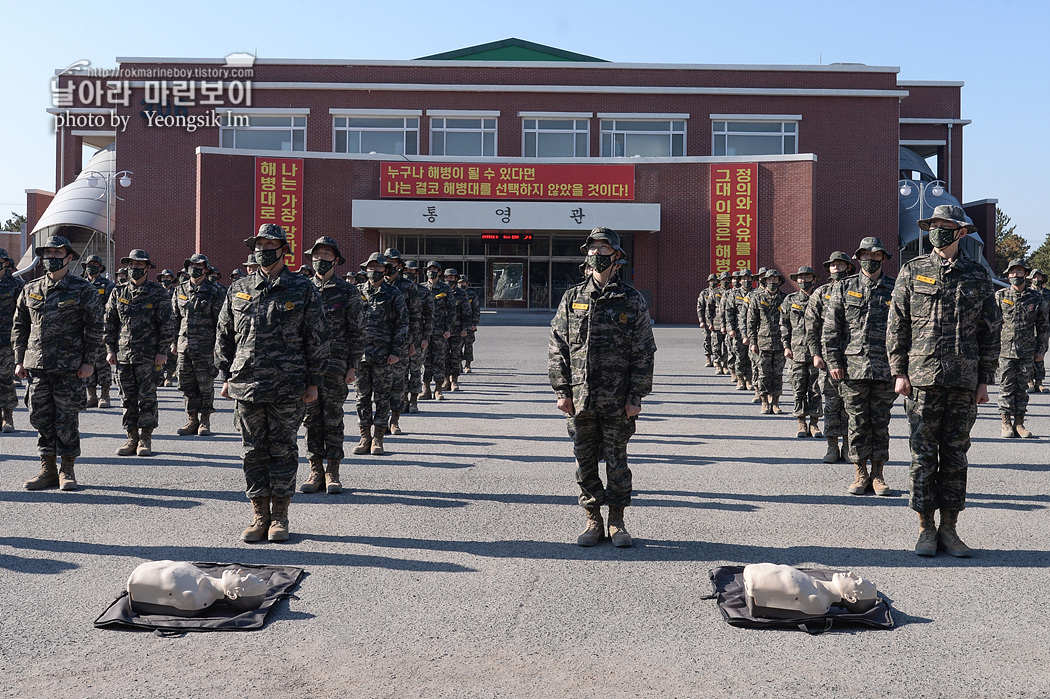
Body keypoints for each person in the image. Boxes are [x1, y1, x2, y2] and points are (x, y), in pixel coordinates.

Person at [887, 205, 1001, 558]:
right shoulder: (913, 271)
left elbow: (990, 332)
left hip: (963, 380)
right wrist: (899, 372)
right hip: (921, 380)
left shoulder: (977, 275)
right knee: (922, 456)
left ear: (960, 232)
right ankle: (925, 529)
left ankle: (950, 529)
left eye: (945, 226)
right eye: (934, 225)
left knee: (955, 457)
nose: (937, 231)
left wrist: (984, 380)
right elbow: (897, 324)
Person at [215, 223, 329, 543]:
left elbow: (317, 338)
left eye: (268, 243)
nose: (261, 248)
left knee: (283, 450)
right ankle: (259, 513)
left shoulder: (302, 288)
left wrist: (314, 381)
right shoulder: (239, 287)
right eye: (258, 244)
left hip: (287, 384)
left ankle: (280, 515)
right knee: (252, 452)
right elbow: (224, 335)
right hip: (246, 383)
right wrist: (225, 374)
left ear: (283, 249)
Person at [549, 227, 657, 548]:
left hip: (618, 399)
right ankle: (592, 518)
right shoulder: (573, 297)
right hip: (580, 398)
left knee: (617, 462)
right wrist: (561, 390)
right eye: (592, 248)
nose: (596, 254)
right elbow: (558, 346)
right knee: (583, 461)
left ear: (617, 256)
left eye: (603, 248)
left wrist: (637, 395)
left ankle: (617, 520)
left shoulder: (631, 300)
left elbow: (644, 350)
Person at [13, 235, 103, 490]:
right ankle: (47, 470)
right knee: (41, 419)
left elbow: (95, 327)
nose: (51, 258)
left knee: (66, 419)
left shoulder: (83, 289)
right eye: (47, 254)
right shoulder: (31, 288)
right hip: (37, 367)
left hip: (69, 367)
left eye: (56, 253)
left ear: (69, 257)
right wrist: (19, 360)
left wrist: (89, 361)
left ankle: (67, 470)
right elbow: (20, 326)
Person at [823, 238, 897, 496]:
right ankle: (860, 472)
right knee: (856, 422)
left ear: (883, 258)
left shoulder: (895, 288)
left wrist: (902, 368)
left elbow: (906, 329)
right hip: (852, 368)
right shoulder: (844, 288)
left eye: (875, 255)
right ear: (858, 258)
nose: (870, 259)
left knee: (880, 422)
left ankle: (878, 474)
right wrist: (833, 362)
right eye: (865, 254)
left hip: (886, 368)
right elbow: (831, 329)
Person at [301, 236, 363, 494]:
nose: (321, 260)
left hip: (336, 366)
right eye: (317, 256)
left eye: (326, 256)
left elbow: (357, 331)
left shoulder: (348, 292)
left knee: (333, 419)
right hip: (307, 367)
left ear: (336, 260)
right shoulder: (302, 288)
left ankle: (333, 471)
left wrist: (353, 366)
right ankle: (315, 469)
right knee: (310, 420)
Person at [105, 250, 175, 458]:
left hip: (149, 355)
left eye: (138, 265)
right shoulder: (118, 292)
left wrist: (162, 351)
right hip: (123, 355)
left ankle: (145, 438)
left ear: (147, 267)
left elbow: (167, 324)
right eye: (131, 265)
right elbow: (109, 323)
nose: (134, 269)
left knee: (147, 397)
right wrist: (110, 350)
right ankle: (131, 437)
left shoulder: (158, 292)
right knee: (127, 398)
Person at [352, 252, 409, 456]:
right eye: (371, 267)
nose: (374, 271)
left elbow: (402, 325)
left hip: (384, 356)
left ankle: (378, 438)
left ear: (385, 270)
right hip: (360, 355)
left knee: (382, 397)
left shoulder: (394, 294)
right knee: (361, 398)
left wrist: (396, 351)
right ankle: (364, 436)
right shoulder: (356, 292)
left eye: (378, 267)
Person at [171, 253, 226, 437]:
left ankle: (205, 421)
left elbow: (222, 322)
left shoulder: (215, 291)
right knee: (186, 384)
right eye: (191, 265)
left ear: (206, 269)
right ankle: (191, 419)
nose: (194, 269)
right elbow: (174, 319)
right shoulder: (180, 290)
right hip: (184, 346)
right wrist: (173, 343)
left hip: (206, 346)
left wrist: (217, 346)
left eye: (198, 266)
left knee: (205, 385)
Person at [807, 252, 855, 463]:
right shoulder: (821, 293)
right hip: (828, 359)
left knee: (852, 406)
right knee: (831, 404)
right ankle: (832, 446)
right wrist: (815, 353)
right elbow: (811, 325)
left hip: (854, 358)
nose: (836, 268)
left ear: (848, 267)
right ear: (828, 269)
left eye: (840, 264)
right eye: (833, 265)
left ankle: (848, 447)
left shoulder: (856, 288)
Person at [995, 259, 1048, 438]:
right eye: (1012, 273)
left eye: (1019, 272)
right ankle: (1006, 423)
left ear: (1026, 274)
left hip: (1027, 351)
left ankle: (1019, 423)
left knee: (1022, 389)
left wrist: (1041, 350)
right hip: (1004, 351)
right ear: (1008, 275)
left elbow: (1043, 326)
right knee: (1006, 387)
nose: (1015, 276)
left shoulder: (1036, 297)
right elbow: (992, 325)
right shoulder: (1001, 296)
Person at [382, 248, 425, 435]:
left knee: (398, 383)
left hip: (401, 342)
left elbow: (415, 316)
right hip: (378, 343)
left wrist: (412, 342)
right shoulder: (373, 285)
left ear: (399, 265)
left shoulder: (408, 287)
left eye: (393, 262)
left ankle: (395, 420)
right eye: (386, 262)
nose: (389, 266)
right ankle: (380, 421)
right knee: (380, 385)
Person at [782, 266, 822, 438]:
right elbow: (784, 324)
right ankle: (801, 423)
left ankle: (814, 423)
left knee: (815, 389)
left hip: (817, 353)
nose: (804, 281)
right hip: (797, 352)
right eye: (800, 278)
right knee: (798, 388)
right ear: (796, 281)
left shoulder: (820, 298)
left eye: (807, 278)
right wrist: (786, 346)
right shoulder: (790, 300)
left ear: (813, 280)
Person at [747, 269, 787, 414]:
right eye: (769, 280)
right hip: (762, 342)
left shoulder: (785, 299)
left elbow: (789, 322)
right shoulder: (757, 298)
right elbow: (751, 322)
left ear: (779, 282)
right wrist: (752, 342)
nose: (772, 283)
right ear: (765, 282)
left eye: (775, 280)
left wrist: (788, 344)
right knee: (763, 374)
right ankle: (764, 402)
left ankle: (775, 402)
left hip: (780, 343)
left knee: (778, 374)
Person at [79, 254, 114, 409]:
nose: (91, 267)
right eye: (88, 264)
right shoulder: (80, 284)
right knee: (87, 361)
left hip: (101, 330)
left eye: (94, 265)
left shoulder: (107, 286)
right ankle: (91, 395)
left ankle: (105, 395)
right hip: (83, 330)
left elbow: (112, 309)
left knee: (103, 364)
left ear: (100, 268)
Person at [404, 260, 433, 413]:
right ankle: (402, 401)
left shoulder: (424, 292)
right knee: (400, 373)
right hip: (400, 339)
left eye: (412, 271)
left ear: (416, 274)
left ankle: (413, 400)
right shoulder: (397, 290)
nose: (409, 273)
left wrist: (426, 337)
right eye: (406, 270)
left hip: (417, 337)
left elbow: (429, 316)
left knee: (415, 370)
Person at [0, 247, 25, 432]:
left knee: (5, 378)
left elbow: (23, 315)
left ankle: (8, 417)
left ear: (5, 263)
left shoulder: (15, 285)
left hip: (7, 341)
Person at [421, 261, 453, 401]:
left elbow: (452, 311)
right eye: (429, 269)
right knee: (425, 360)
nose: (431, 272)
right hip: (424, 331)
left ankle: (438, 390)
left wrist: (448, 329)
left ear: (439, 272)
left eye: (434, 269)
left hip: (440, 331)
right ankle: (426, 389)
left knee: (439, 360)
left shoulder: (445, 288)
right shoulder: (420, 288)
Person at [444, 267, 471, 392]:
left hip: (457, 330)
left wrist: (465, 328)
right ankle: (445, 380)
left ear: (456, 279)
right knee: (443, 356)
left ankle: (454, 380)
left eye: (452, 277)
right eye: (447, 277)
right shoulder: (441, 291)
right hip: (442, 330)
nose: (449, 279)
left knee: (455, 355)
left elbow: (467, 312)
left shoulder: (461, 293)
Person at [1025, 267, 1050, 394]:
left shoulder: (1047, 294)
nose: (1037, 279)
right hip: (1029, 330)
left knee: (1040, 355)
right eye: (1034, 277)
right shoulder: (1027, 294)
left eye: (1039, 277)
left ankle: (1039, 382)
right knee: (1029, 356)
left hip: (1044, 329)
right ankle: (1029, 381)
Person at [157, 268, 178, 387]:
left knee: (171, 353)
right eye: (163, 278)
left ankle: (169, 376)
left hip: (172, 325)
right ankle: (159, 375)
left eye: (168, 278)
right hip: (159, 325)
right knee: (159, 351)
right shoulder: (157, 291)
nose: (165, 280)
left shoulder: (175, 292)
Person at [458, 274, 481, 373]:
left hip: (469, 324)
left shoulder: (472, 295)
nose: (461, 284)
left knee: (468, 345)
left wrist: (474, 323)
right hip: (457, 324)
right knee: (457, 346)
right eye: (459, 282)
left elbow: (476, 310)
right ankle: (458, 364)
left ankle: (467, 364)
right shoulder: (454, 293)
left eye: (463, 282)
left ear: (467, 283)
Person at [696, 273, 718, 368]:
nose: (713, 282)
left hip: (717, 321)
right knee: (707, 339)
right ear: (708, 282)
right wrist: (701, 320)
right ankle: (708, 357)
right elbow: (700, 307)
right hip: (706, 321)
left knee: (716, 340)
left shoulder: (719, 292)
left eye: (714, 280)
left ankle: (716, 359)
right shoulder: (704, 293)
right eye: (711, 281)